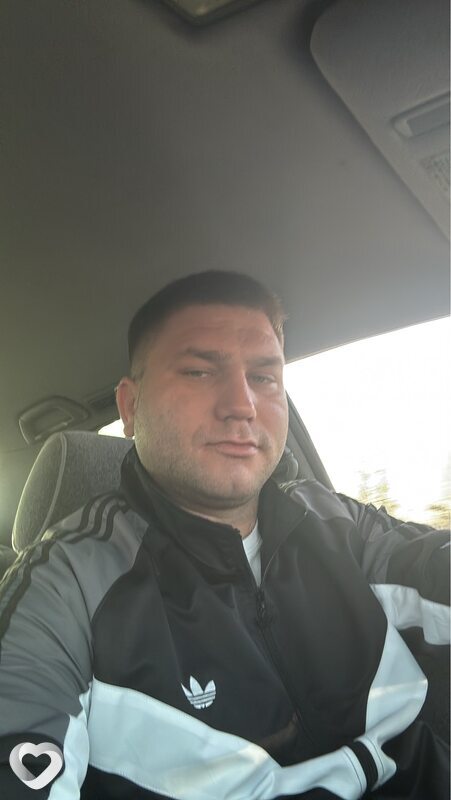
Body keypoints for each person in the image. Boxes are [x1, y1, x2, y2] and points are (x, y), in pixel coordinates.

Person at [0, 270, 449, 799]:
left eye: (264, 377)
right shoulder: (65, 583)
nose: (242, 404)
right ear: (130, 407)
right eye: (198, 371)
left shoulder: (338, 523)